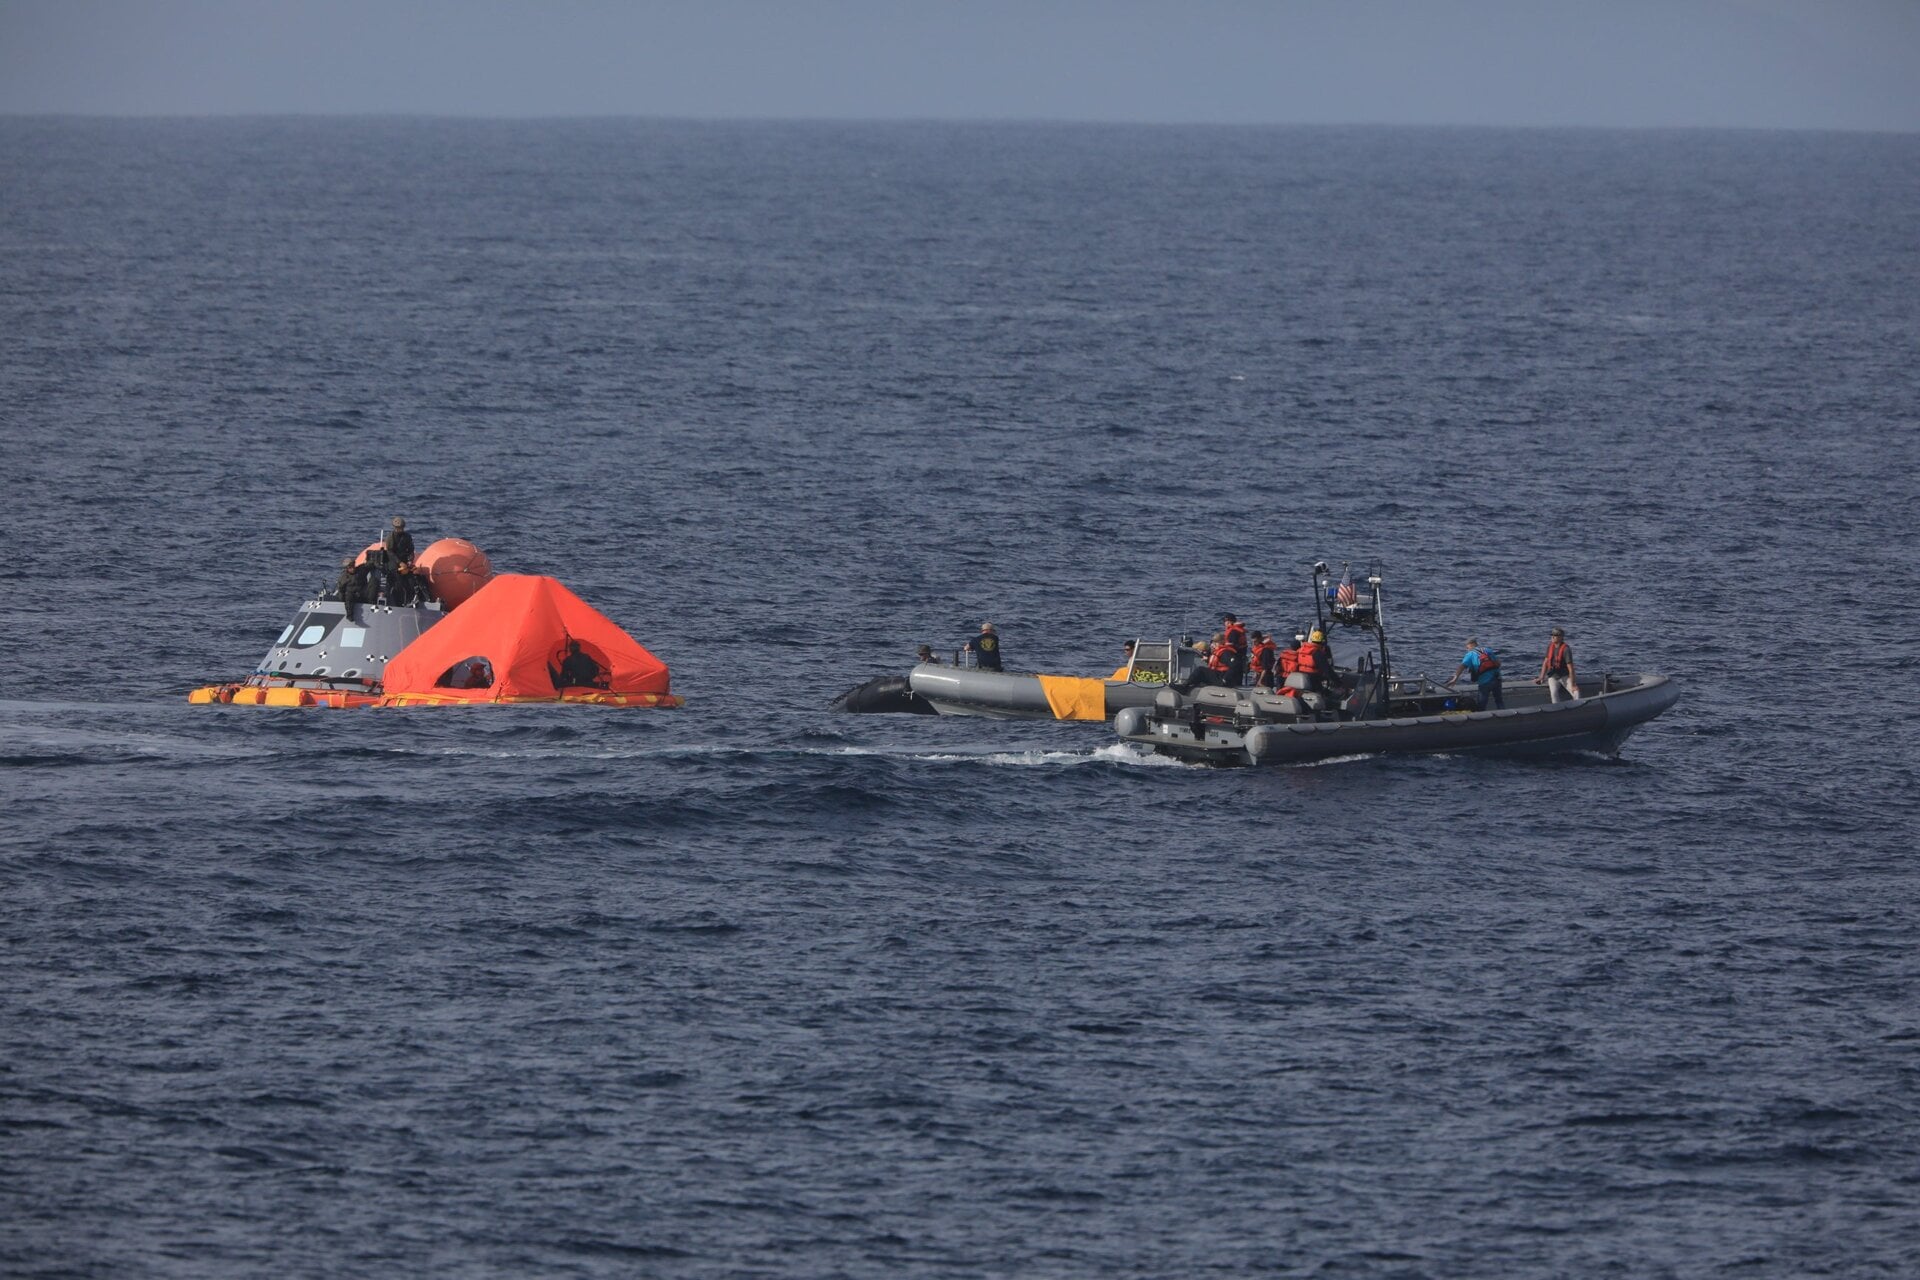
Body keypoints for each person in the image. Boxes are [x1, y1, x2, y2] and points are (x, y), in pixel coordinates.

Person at [1456, 638, 1505, 710]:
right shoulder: (1487, 650)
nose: (1467, 649)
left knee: (1482, 704)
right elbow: (1498, 664)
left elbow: (1462, 666)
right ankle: (1503, 714)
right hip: (1496, 678)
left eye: (1467, 647)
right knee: (1499, 701)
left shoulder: (1470, 654)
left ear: (1470, 645)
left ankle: (1481, 715)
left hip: (1484, 682)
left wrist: (1455, 677)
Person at [1536, 626, 1578, 703]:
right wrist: (1541, 677)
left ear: (1561, 637)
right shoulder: (1550, 646)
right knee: (1554, 693)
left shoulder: (1566, 649)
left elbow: (1571, 668)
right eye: (1552, 635)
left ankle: (1578, 706)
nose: (1552, 637)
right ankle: (1557, 707)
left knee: (1576, 692)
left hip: (1564, 676)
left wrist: (1573, 684)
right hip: (1553, 676)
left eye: (1555, 635)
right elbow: (1545, 662)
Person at [333, 556, 363, 621]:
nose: (352, 569)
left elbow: (366, 567)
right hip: (348, 596)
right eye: (350, 567)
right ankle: (349, 615)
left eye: (353, 566)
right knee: (349, 596)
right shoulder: (344, 577)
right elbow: (341, 589)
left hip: (359, 593)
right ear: (347, 568)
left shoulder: (359, 572)